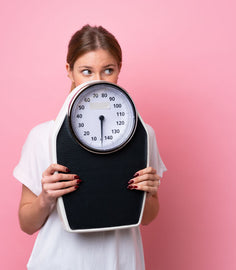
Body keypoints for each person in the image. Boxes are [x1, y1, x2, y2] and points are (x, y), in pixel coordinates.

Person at [13, 24, 167, 270]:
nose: (98, 81)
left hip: (120, 263)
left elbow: (147, 217)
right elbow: (26, 224)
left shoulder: (143, 134)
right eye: (86, 71)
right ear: (69, 71)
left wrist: (147, 192)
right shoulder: (42, 137)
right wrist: (46, 198)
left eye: (108, 70)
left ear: (119, 70)